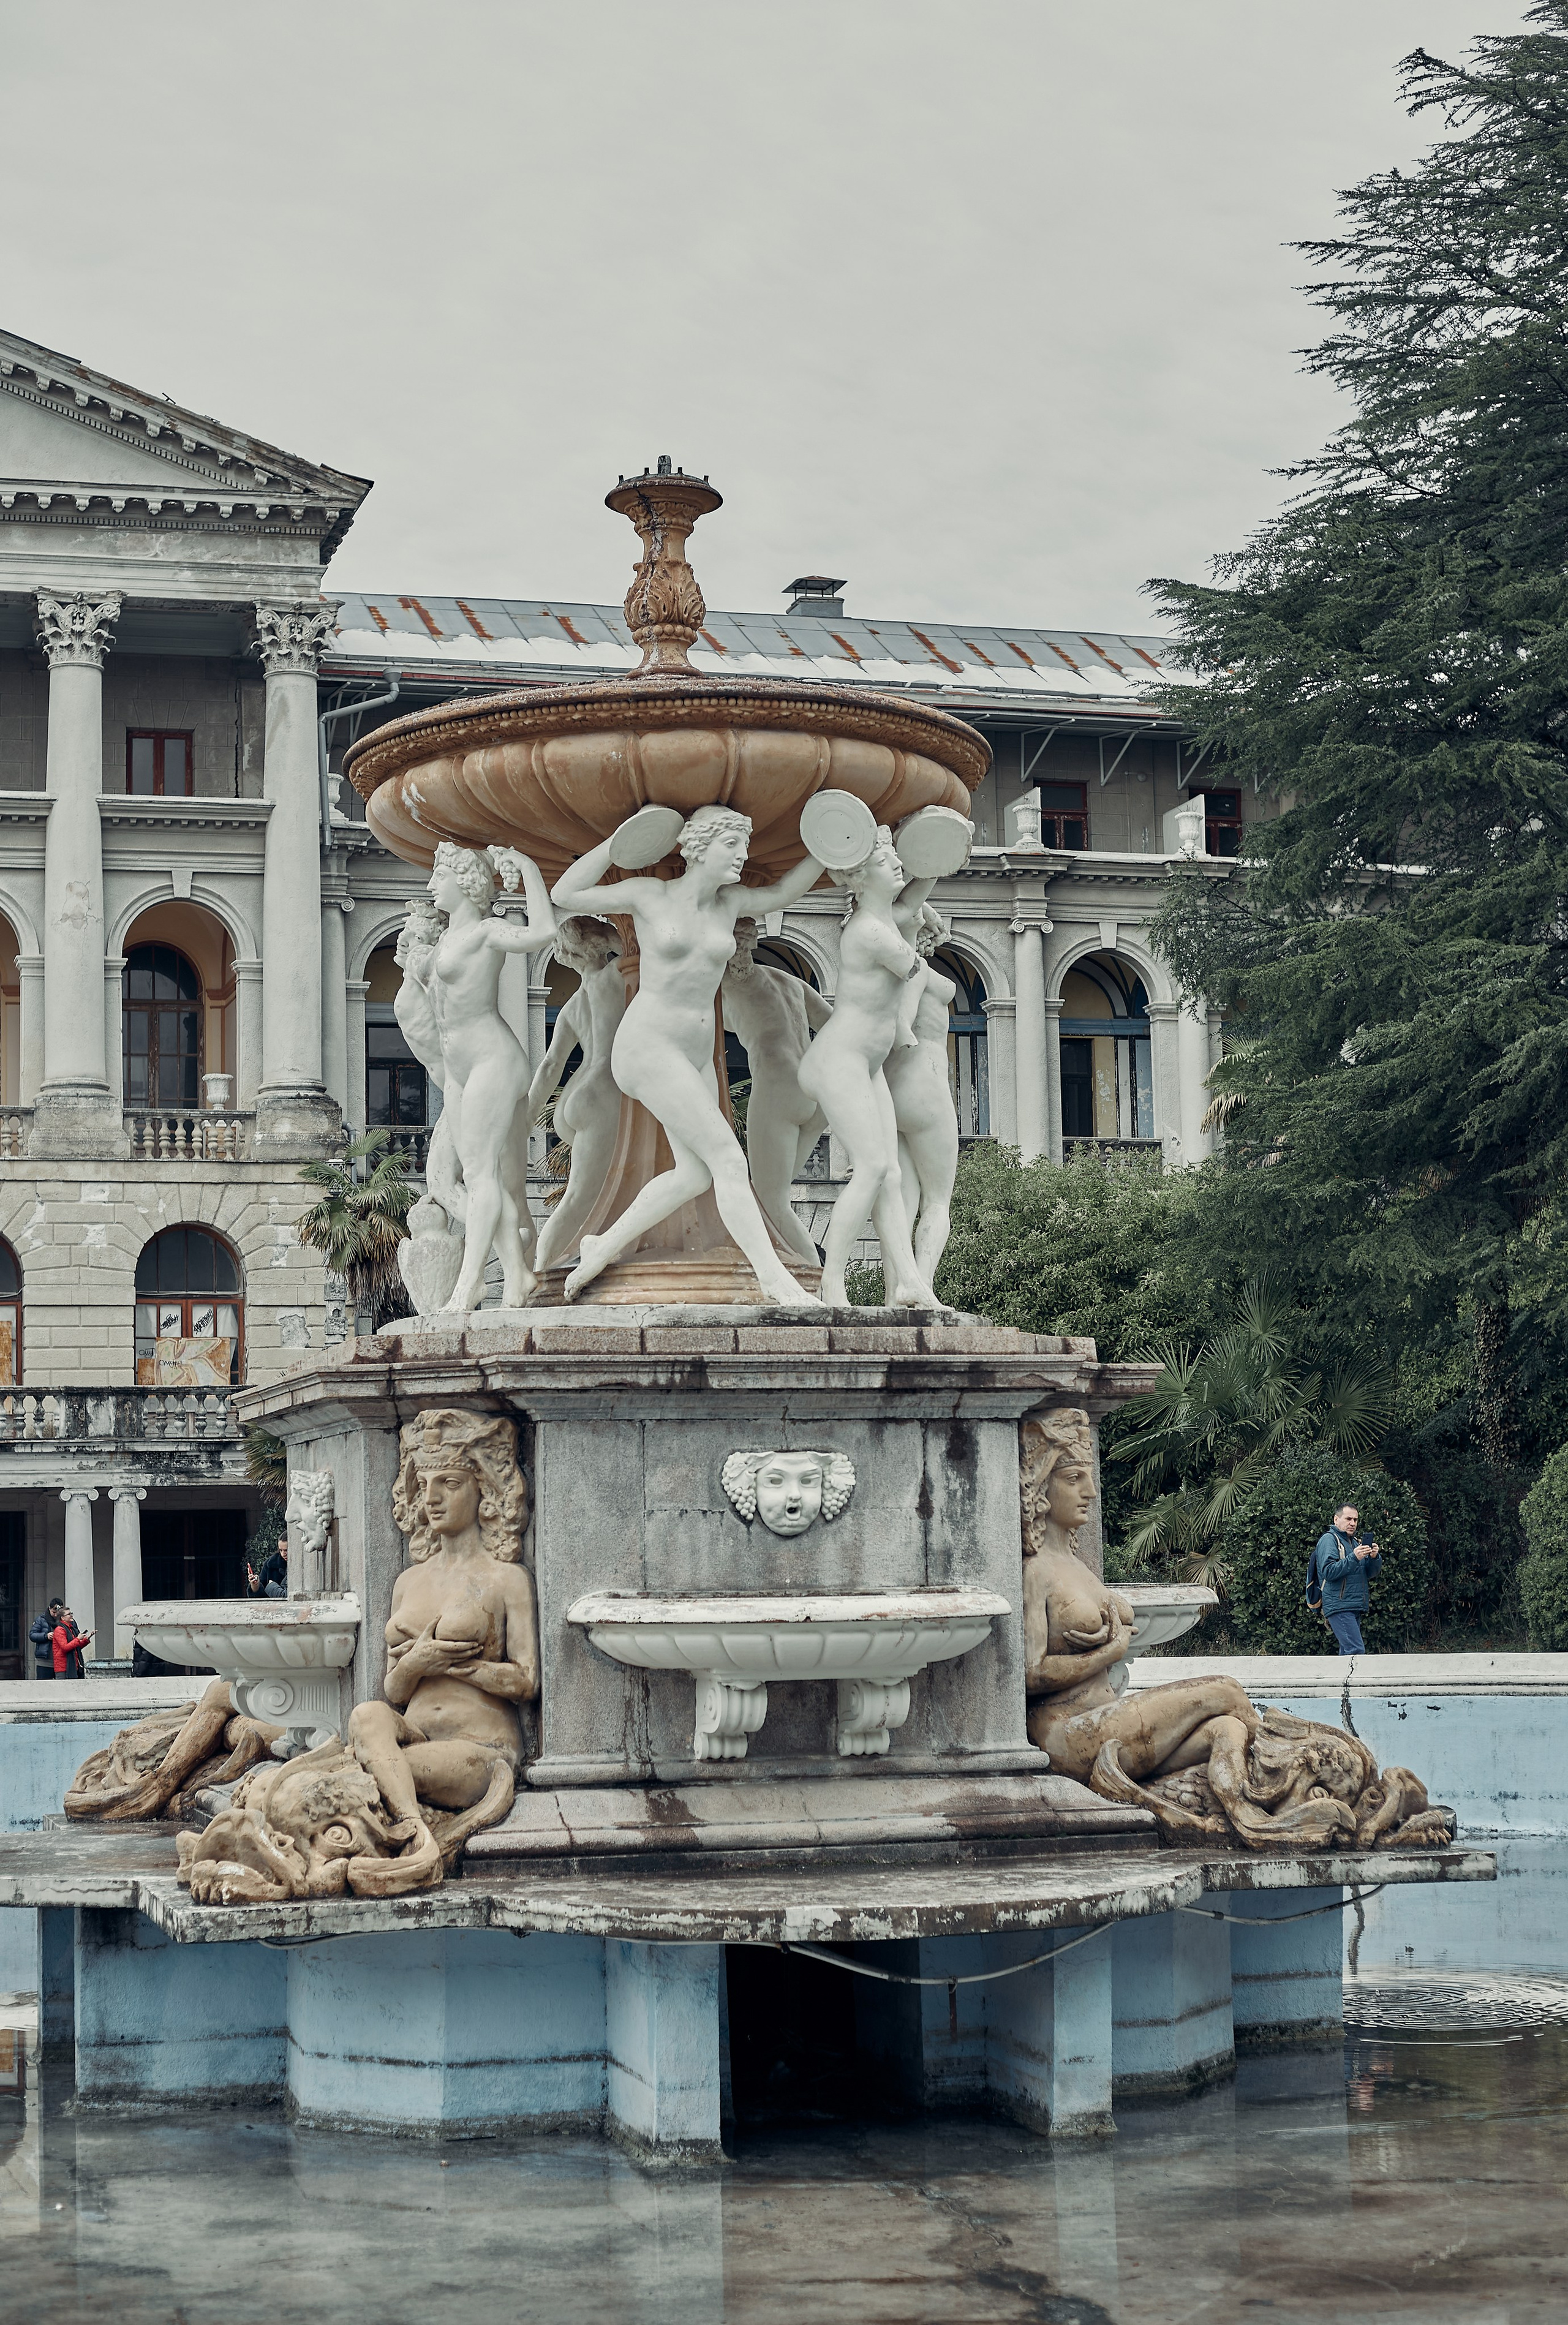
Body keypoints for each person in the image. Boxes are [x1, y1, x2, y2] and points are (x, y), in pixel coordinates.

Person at [1309, 1503, 1382, 1656]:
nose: (1353, 1523)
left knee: (1347, 1653)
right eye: (1348, 1519)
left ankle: (1341, 1680)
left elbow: (1368, 1573)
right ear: (1336, 1519)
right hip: (1339, 1605)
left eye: (1355, 1520)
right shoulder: (1329, 1540)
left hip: (1353, 1605)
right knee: (1355, 1651)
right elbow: (1328, 1572)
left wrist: (1374, 1558)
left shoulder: (1354, 1542)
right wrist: (1354, 1557)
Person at [51, 1606, 92, 1678]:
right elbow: (65, 1648)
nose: (71, 1616)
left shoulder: (71, 1629)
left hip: (73, 1667)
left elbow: (76, 1648)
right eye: (69, 1614)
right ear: (63, 1618)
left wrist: (86, 1640)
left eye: (71, 1614)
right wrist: (78, 1639)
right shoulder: (59, 1630)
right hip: (63, 1669)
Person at [29, 1598, 64, 1681]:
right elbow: (32, 1635)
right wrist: (46, 1636)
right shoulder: (41, 1619)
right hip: (45, 1661)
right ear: (49, 1608)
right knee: (43, 1688)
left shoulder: (65, 1620)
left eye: (58, 1613)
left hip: (61, 1662)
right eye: (54, 1612)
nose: (56, 1615)